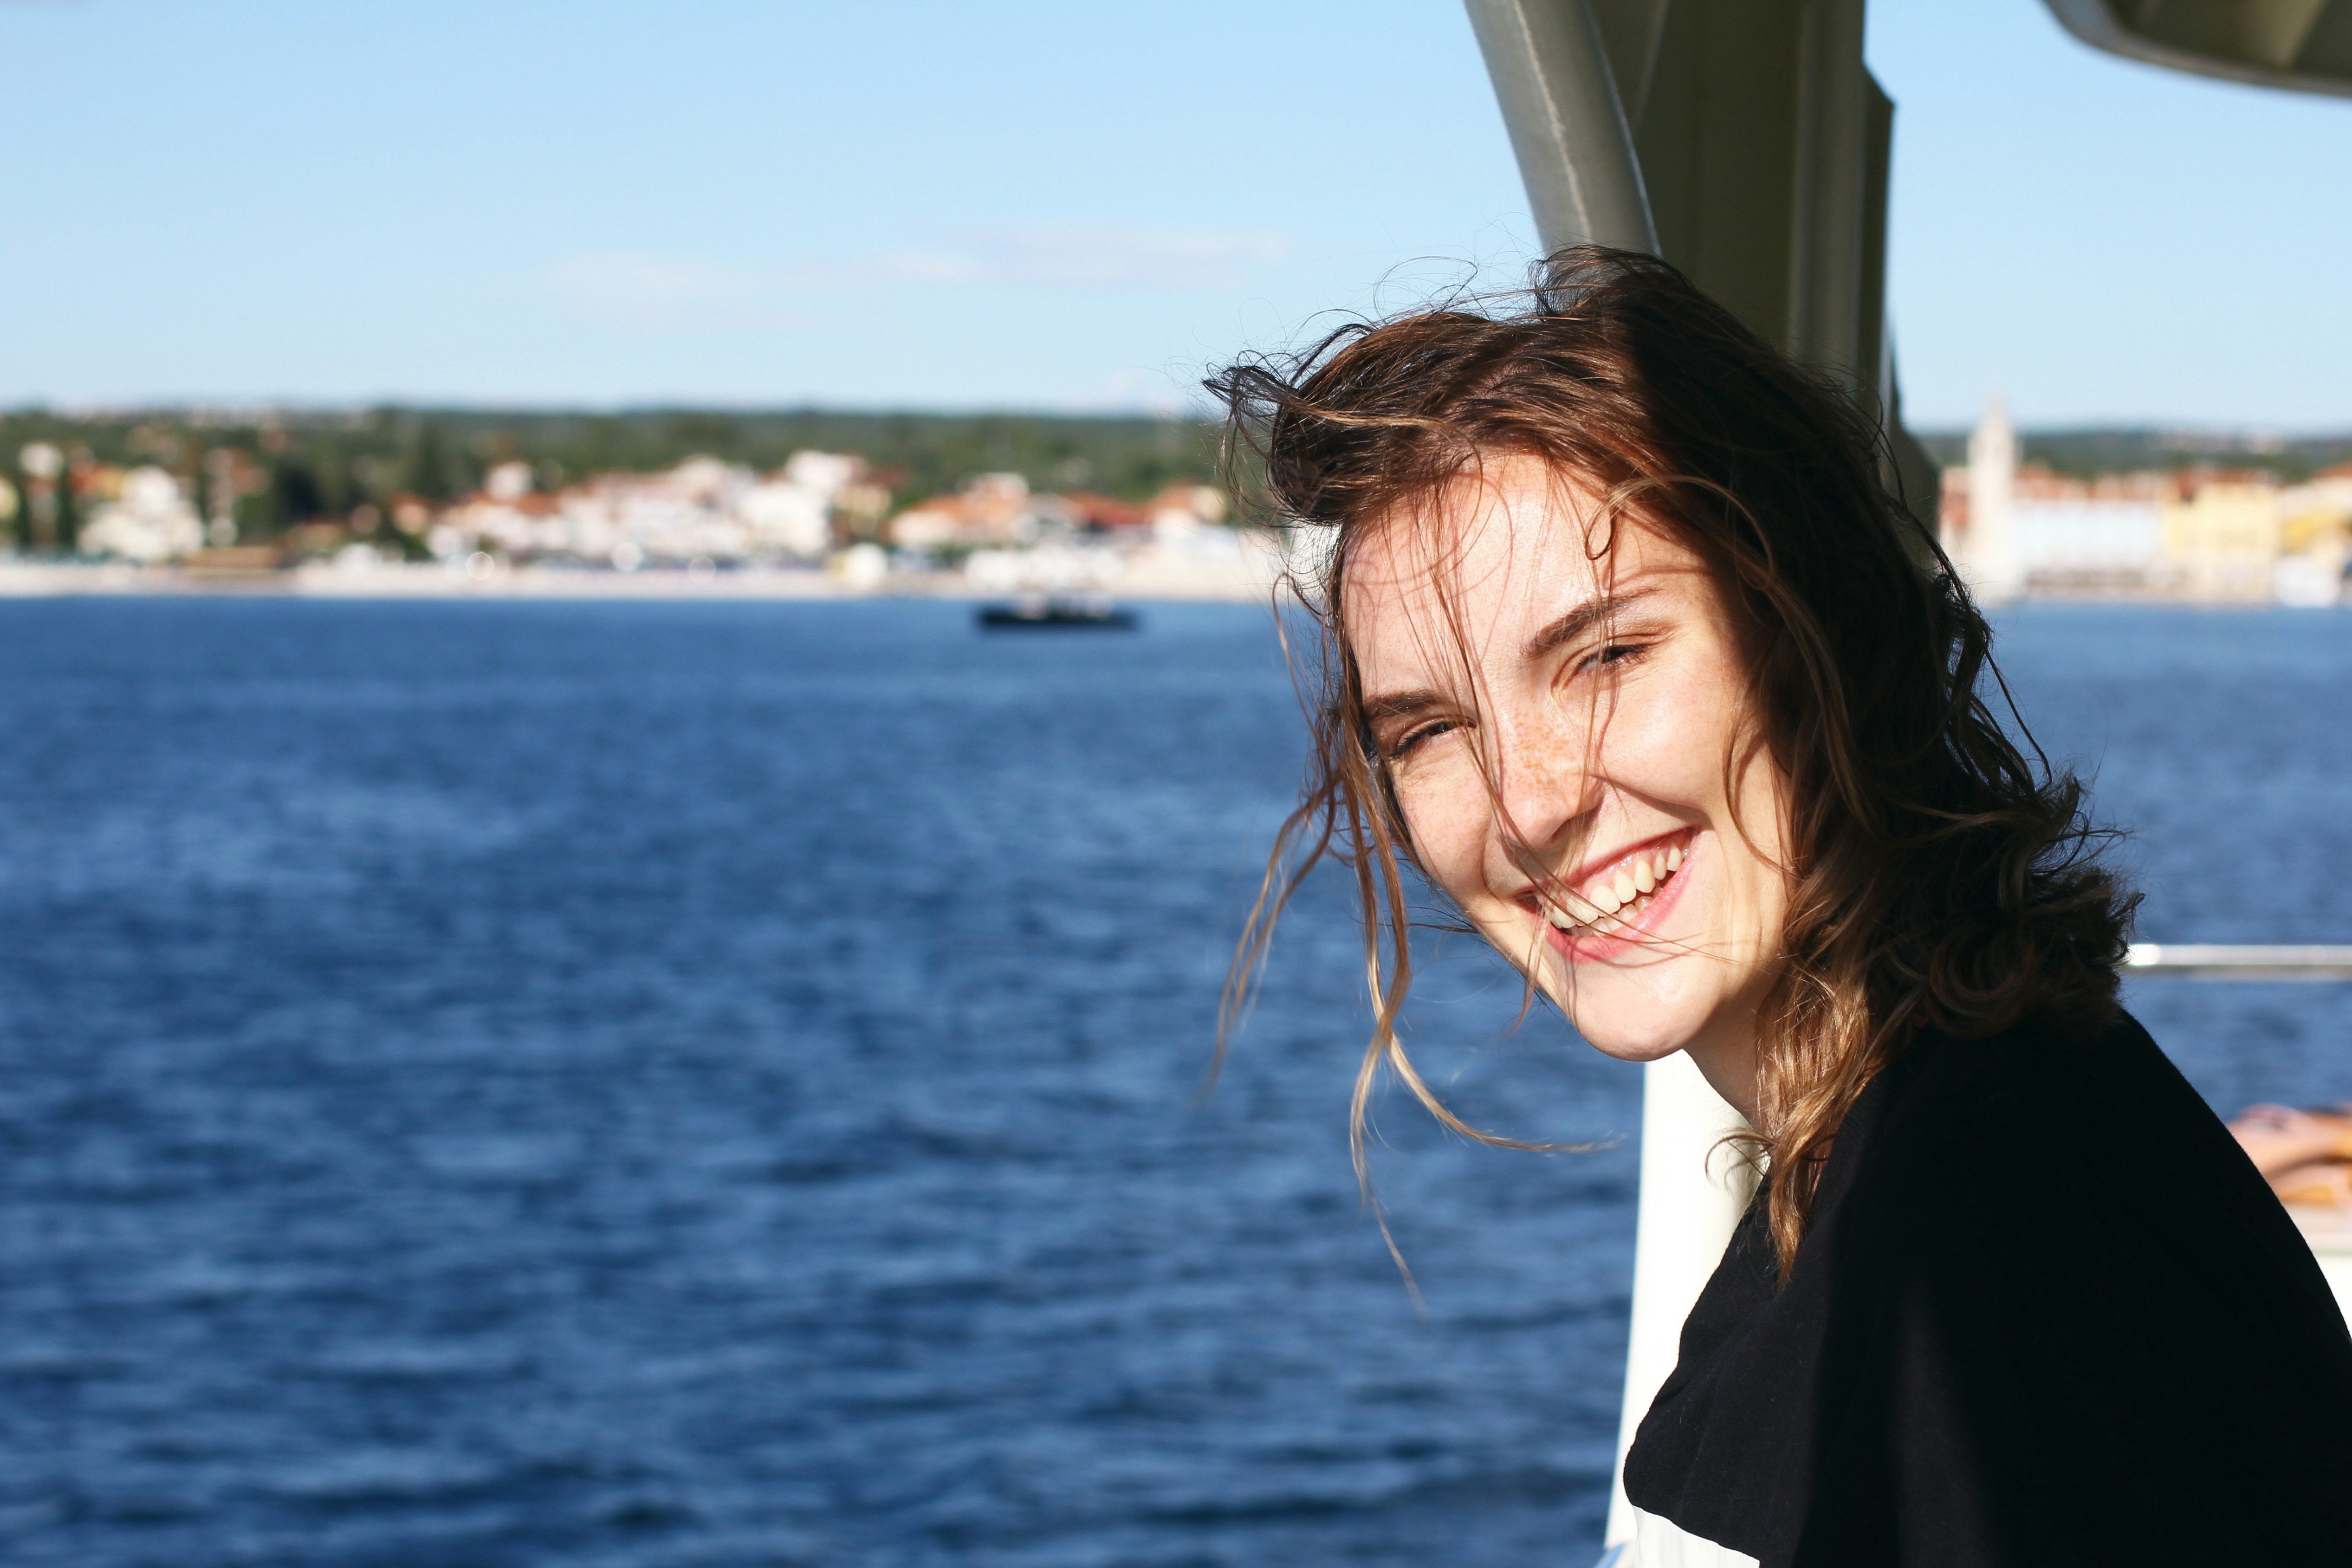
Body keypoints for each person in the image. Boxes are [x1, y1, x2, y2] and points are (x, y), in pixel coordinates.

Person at [1207, 248, 2352, 1567]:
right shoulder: (1969, 1129)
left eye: (1607, 654)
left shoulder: (1973, 1260)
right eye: (1428, 730)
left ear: (1823, 633)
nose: (1523, 805)